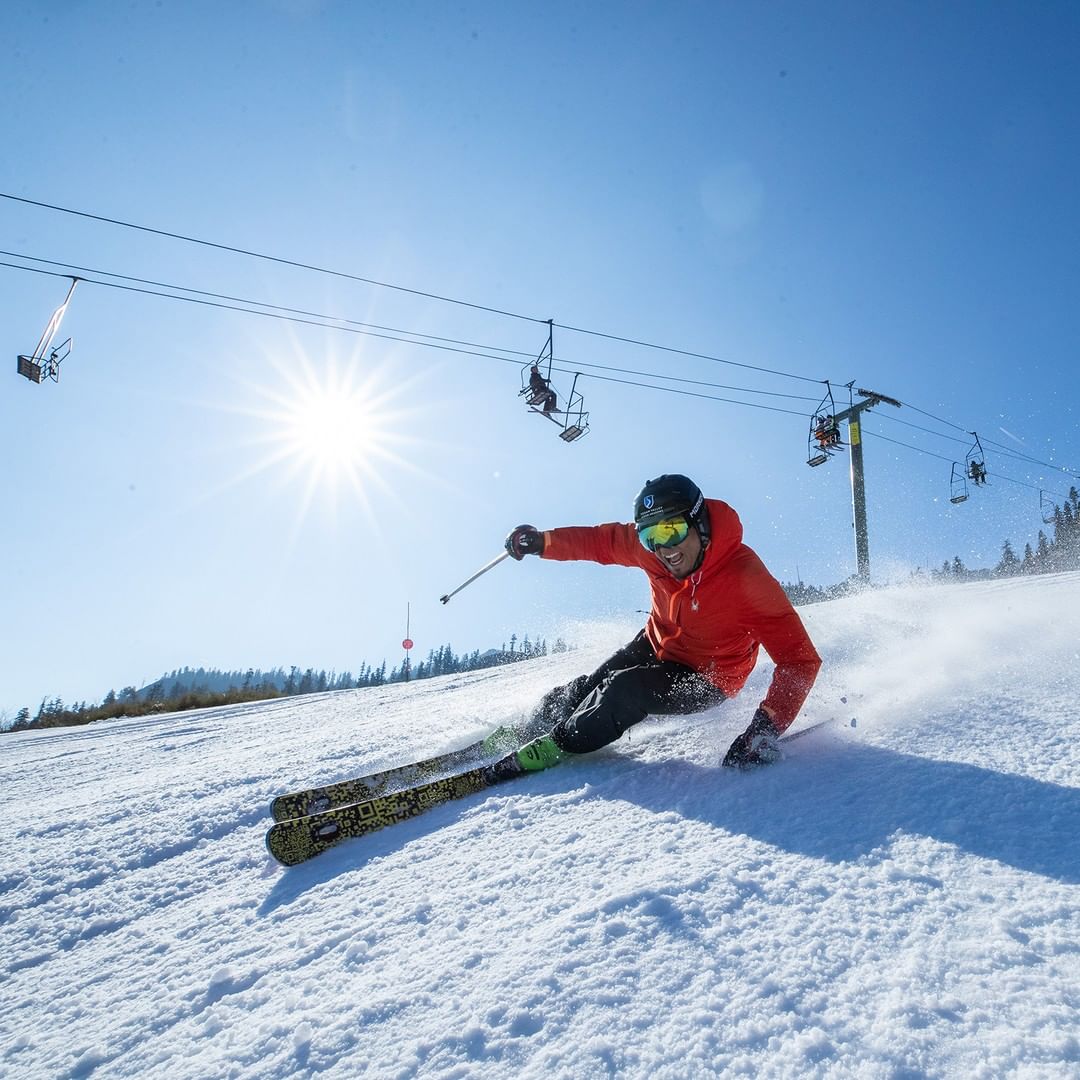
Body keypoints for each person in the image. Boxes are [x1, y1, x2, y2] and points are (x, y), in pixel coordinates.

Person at [491, 474, 821, 778]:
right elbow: (600, 542)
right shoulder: (654, 552)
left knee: (623, 690)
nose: (664, 549)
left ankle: (557, 744)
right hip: (655, 641)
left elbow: (799, 660)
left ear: (699, 523)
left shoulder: (747, 580)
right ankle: (532, 724)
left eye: (672, 530)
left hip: (707, 678)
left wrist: (764, 727)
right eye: (650, 536)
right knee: (591, 684)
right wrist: (543, 542)